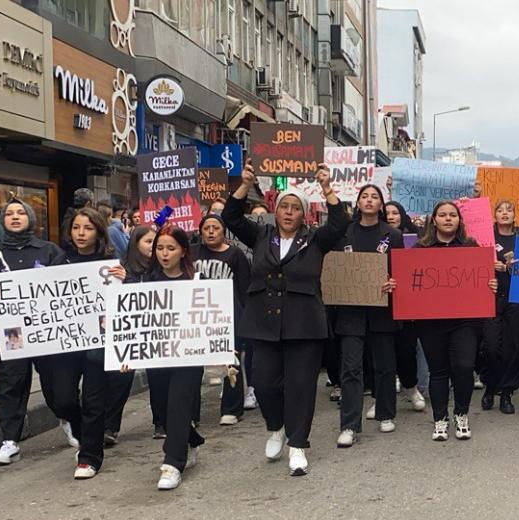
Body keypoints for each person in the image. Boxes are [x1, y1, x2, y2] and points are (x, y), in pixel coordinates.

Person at [222, 159, 348, 475]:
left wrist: (326, 188)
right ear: (275, 211)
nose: (289, 212)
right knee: (264, 383)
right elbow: (231, 217)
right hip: (264, 323)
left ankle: (297, 445)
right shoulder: (261, 235)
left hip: (304, 323)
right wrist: (246, 183)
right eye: (284, 206)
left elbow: (339, 225)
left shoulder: (315, 239)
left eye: (295, 207)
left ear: (303, 213)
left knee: (302, 386)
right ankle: (275, 426)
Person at [0, 201, 69, 465]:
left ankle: (68, 420)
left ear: (31, 218)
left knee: (56, 382)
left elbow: (68, 290)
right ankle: (10, 441)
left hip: (46, 330)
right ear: (2, 220)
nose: (15, 217)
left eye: (20, 213)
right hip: (12, 333)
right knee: (11, 384)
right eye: (9, 214)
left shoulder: (50, 251)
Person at [401, 200, 497, 441]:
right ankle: (440, 418)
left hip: (465, 321)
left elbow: (483, 280)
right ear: (434, 220)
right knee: (438, 371)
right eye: (442, 215)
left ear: (459, 220)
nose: (447, 219)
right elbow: (407, 283)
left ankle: (461, 413)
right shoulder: (419, 250)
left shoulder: (471, 247)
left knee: (464, 367)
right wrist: (397, 285)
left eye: (452, 215)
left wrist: (491, 285)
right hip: (431, 322)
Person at [119, 223, 207, 490]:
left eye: (171, 248)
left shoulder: (197, 280)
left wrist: (226, 352)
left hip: (189, 357)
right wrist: (126, 353)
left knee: (180, 403)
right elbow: (132, 320)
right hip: (157, 356)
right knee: (166, 411)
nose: (164, 254)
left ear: (183, 251)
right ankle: (191, 440)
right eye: (159, 248)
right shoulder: (144, 282)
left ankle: (172, 463)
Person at [331, 183, 403, 446]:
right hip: (351, 312)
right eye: (365, 197)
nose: (369, 201)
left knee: (384, 366)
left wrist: (393, 282)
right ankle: (349, 424)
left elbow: (400, 271)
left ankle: (385, 413)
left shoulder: (391, 235)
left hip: (382, 310)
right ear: (358, 203)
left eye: (375, 197)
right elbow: (334, 267)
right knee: (351, 368)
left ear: (382, 204)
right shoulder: (344, 233)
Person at [54, 207, 119, 479]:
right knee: (63, 399)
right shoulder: (58, 261)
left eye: (88, 228)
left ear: (99, 232)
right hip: (66, 346)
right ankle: (82, 434)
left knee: (94, 402)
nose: (81, 233)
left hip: (97, 346)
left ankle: (89, 458)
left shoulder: (111, 263)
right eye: (77, 228)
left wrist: (125, 282)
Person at [192, 214, 251, 426]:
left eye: (215, 227)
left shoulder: (235, 255)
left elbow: (245, 288)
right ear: (200, 231)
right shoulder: (192, 253)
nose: (210, 231)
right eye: (206, 227)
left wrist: (245, 318)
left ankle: (232, 409)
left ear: (223, 231)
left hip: (228, 316)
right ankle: (190, 413)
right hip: (197, 317)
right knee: (193, 363)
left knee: (231, 360)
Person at [104, 225, 158, 442]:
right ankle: (110, 427)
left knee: (159, 376)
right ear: (135, 244)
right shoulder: (121, 268)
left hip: (156, 330)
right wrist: (127, 280)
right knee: (120, 377)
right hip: (129, 332)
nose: (153, 247)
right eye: (148, 242)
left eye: (156, 242)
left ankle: (162, 422)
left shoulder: (162, 267)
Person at [480, 200, 519, 415]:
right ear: (494, 215)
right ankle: (490, 384)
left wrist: (511, 268)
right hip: (490, 297)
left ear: (515, 215)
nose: (505, 213)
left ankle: (507, 391)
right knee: (490, 346)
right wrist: (489, 267)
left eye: (509, 209)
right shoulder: (485, 237)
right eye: (500, 210)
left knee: (512, 347)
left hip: (516, 298)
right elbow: (471, 263)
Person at [384, 200, 427, 411]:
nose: (391, 216)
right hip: (381, 301)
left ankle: (411, 388)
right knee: (382, 351)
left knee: (407, 349)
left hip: (408, 303)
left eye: (395, 212)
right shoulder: (377, 237)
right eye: (387, 213)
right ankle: (381, 397)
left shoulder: (415, 238)